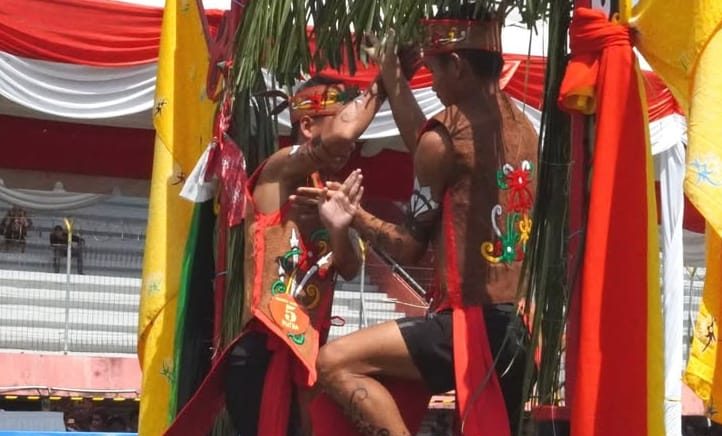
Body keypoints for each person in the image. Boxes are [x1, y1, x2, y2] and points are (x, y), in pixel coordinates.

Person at [301, 17, 538, 436]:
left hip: (471, 326)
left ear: (458, 66)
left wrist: (354, 214)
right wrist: (393, 77)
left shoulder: (444, 138)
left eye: (434, 70)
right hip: (521, 326)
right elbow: (429, 143)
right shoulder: (525, 129)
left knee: (334, 362)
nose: (433, 84)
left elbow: (408, 246)